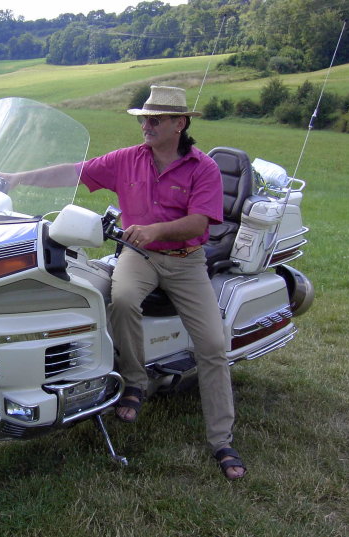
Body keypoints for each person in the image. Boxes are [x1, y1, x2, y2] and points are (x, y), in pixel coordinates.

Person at [77, 85, 246, 480]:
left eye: (154, 120)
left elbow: (199, 223)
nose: (146, 126)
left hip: (187, 262)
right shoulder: (127, 159)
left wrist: (154, 230)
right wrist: (12, 177)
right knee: (121, 299)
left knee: (212, 345)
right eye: (143, 119)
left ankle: (221, 439)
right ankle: (135, 382)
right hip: (140, 256)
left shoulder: (203, 168)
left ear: (179, 123)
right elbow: (76, 170)